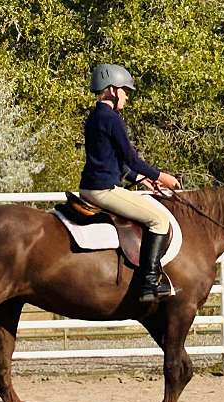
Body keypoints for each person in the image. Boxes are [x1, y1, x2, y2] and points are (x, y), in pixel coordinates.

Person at [79, 63, 181, 303]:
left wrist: (142, 179)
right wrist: (160, 176)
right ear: (113, 90)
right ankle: (149, 282)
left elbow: (112, 161)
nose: (126, 96)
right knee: (159, 219)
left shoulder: (94, 117)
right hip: (103, 190)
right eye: (125, 91)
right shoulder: (112, 118)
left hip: (90, 186)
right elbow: (131, 158)